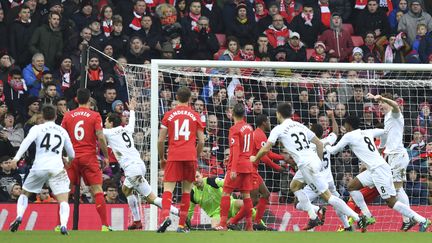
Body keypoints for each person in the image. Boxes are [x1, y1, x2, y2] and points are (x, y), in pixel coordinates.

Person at [252, 103, 366, 231]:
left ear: (278, 114)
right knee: (294, 186)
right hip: (311, 161)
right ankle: (313, 216)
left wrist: (255, 158)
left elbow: (266, 148)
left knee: (328, 197)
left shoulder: (278, 129)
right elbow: (319, 144)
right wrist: (319, 162)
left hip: (307, 165)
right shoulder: (300, 126)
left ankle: (358, 218)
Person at [325, 115, 431, 232]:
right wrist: (381, 146)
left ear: (348, 125)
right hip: (373, 170)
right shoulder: (367, 131)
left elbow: (334, 150)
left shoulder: (348, 136)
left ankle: (422, 220)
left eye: (344, 124)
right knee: (351, 187)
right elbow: (385, 132)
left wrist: (327, 146)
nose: (343, 126)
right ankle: (367, 216)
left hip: (379, 170)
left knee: (391, 202)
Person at [104, 98, 179, 230]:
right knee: (126, 190)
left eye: (106, 121)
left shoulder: (108, 132)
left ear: (111, 122)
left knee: (151, 199)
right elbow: (132, 121)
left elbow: (96, 130)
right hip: (139, 165)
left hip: (132, 170)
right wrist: (132, 110)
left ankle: (179, 213)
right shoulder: (126, 129)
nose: (105, 123)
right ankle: (137, 221)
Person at [9, 105, 75, 235]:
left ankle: (19, 216)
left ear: (42, 116)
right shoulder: (62, 131)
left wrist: (16, 158)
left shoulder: (37, 128)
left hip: (39, 167)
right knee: (63, 200)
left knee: (25, 194)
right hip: (57, 169)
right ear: (56, 116)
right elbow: (72, 153)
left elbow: (26, 142)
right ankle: (63, 225)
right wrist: (69, 160)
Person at [61, 88, 112, 231]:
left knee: (65, 190)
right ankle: (104, 225)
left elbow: (61, 136)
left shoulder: (68, 116)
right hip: (89, 157)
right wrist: (106, 156)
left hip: (72, 157)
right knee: (97, 189)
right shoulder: (95, 115)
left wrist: (62, 155)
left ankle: (60, 224)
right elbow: (101, 137)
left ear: (76, 99)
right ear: (89, 100)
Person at [157, 86, 205, 233]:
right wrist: (194, 156)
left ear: (176, 97)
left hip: (174, 155)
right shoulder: (195, 115)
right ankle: (181, 226)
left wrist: (162, 158)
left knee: (168, 189)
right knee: (186, 191)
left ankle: (165, 217)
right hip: (189, 156)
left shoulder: (168, 115)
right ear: (190, 98)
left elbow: (160, 141)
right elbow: (202, 141)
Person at [366, 92, 416, 230]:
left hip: (399, 155)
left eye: (381, 103)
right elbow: (385, 136)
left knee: (397, 189)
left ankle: (409, 218)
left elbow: (396, 105)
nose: (379, 105)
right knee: (397, 189)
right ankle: (408, 218)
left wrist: (381, 97)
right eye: (378, 104)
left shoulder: (395, 114)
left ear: (387, 102)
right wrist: (380, 148)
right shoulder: (387, 118)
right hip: (392, 156)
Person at [216, 103, 255, 231]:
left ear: (232, 114)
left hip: (237, 166)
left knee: (226, 193)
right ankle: (249, 226)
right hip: (248, 165)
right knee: (246, 195)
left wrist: (232, 169)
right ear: (244, 114)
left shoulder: (234, 129)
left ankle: (222, 224)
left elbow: (236, 149)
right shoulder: (249, 127)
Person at [250, 114, 285, 230]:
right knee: (253, 200)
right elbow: (264, 157)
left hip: (253, 169)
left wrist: (283, 158)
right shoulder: (259, 134)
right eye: (269, 121)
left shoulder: (260, 134)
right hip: (249, 170)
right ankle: (234, 220)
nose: (270, 123)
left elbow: (268, 153)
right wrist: (277, 167)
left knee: (266, 194)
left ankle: (257, 222)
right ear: (264, 122)